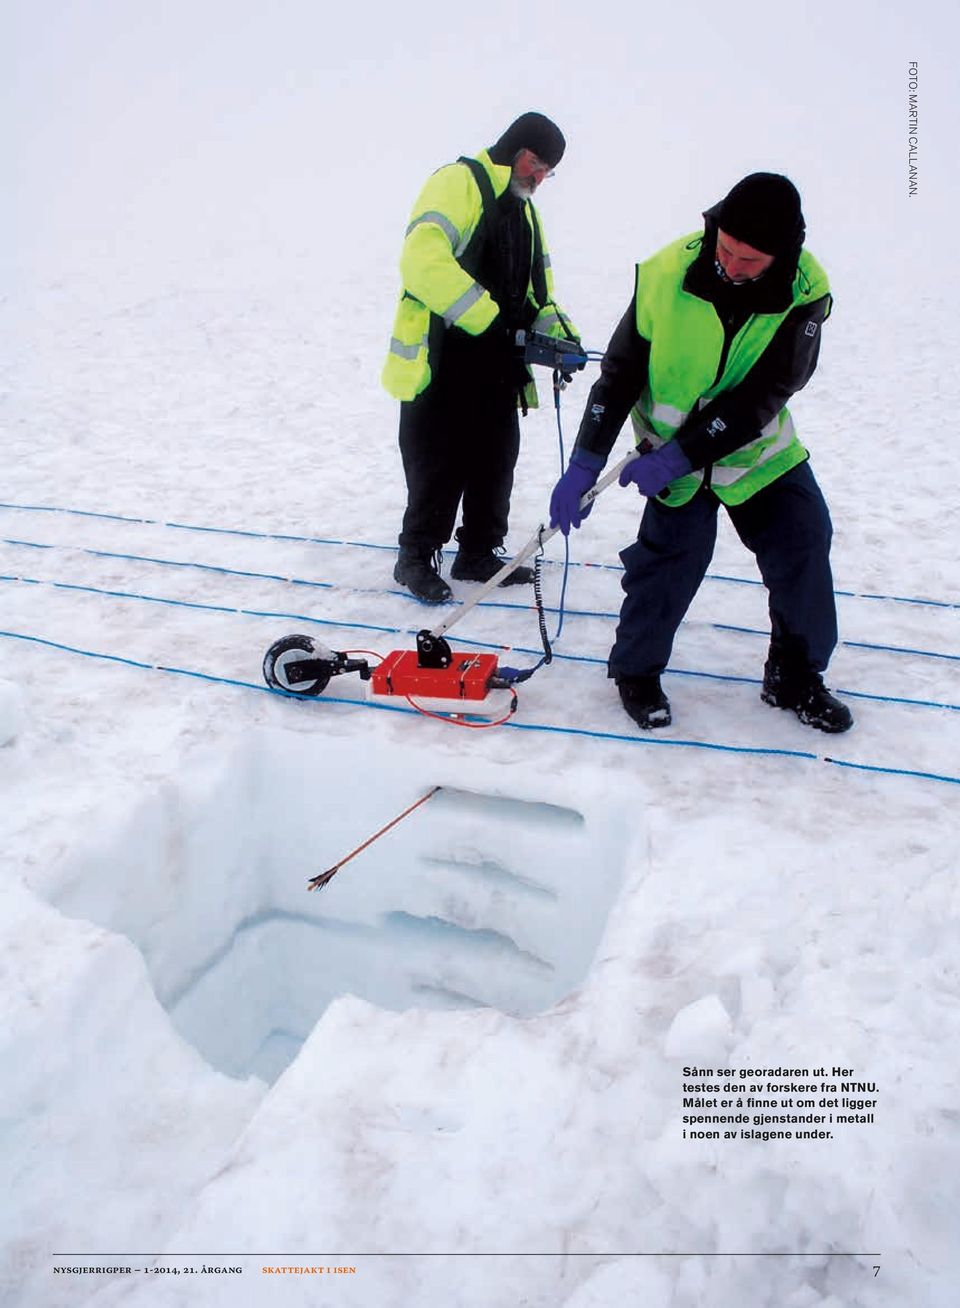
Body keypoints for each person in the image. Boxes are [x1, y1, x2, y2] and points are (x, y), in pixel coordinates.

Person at [549, 172, 853, 734]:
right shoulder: (666, 273)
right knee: (668, 564)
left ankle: (794, 677)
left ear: (782, 254)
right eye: (727, 250)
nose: (732, 266)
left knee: (805, 542)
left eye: (750, 260)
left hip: (756, 454)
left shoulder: (806, 292)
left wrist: (681, 454)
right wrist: (584, 462)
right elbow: (618, 375)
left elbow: (766, 393)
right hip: (671, 457)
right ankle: (636, 673)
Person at [383, 112, 579, 604]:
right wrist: (489, 320)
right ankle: (415, 557)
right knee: (438, 463)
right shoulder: (458, 182)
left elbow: (539, 294)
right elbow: (422, 261)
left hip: (496, 367)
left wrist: (560, 339)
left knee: (496, 460)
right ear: (514, 149)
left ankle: (477, 551)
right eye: (535, 164)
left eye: (547, 172)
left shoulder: (526, 213)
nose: (538, 178)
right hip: (444, 361)